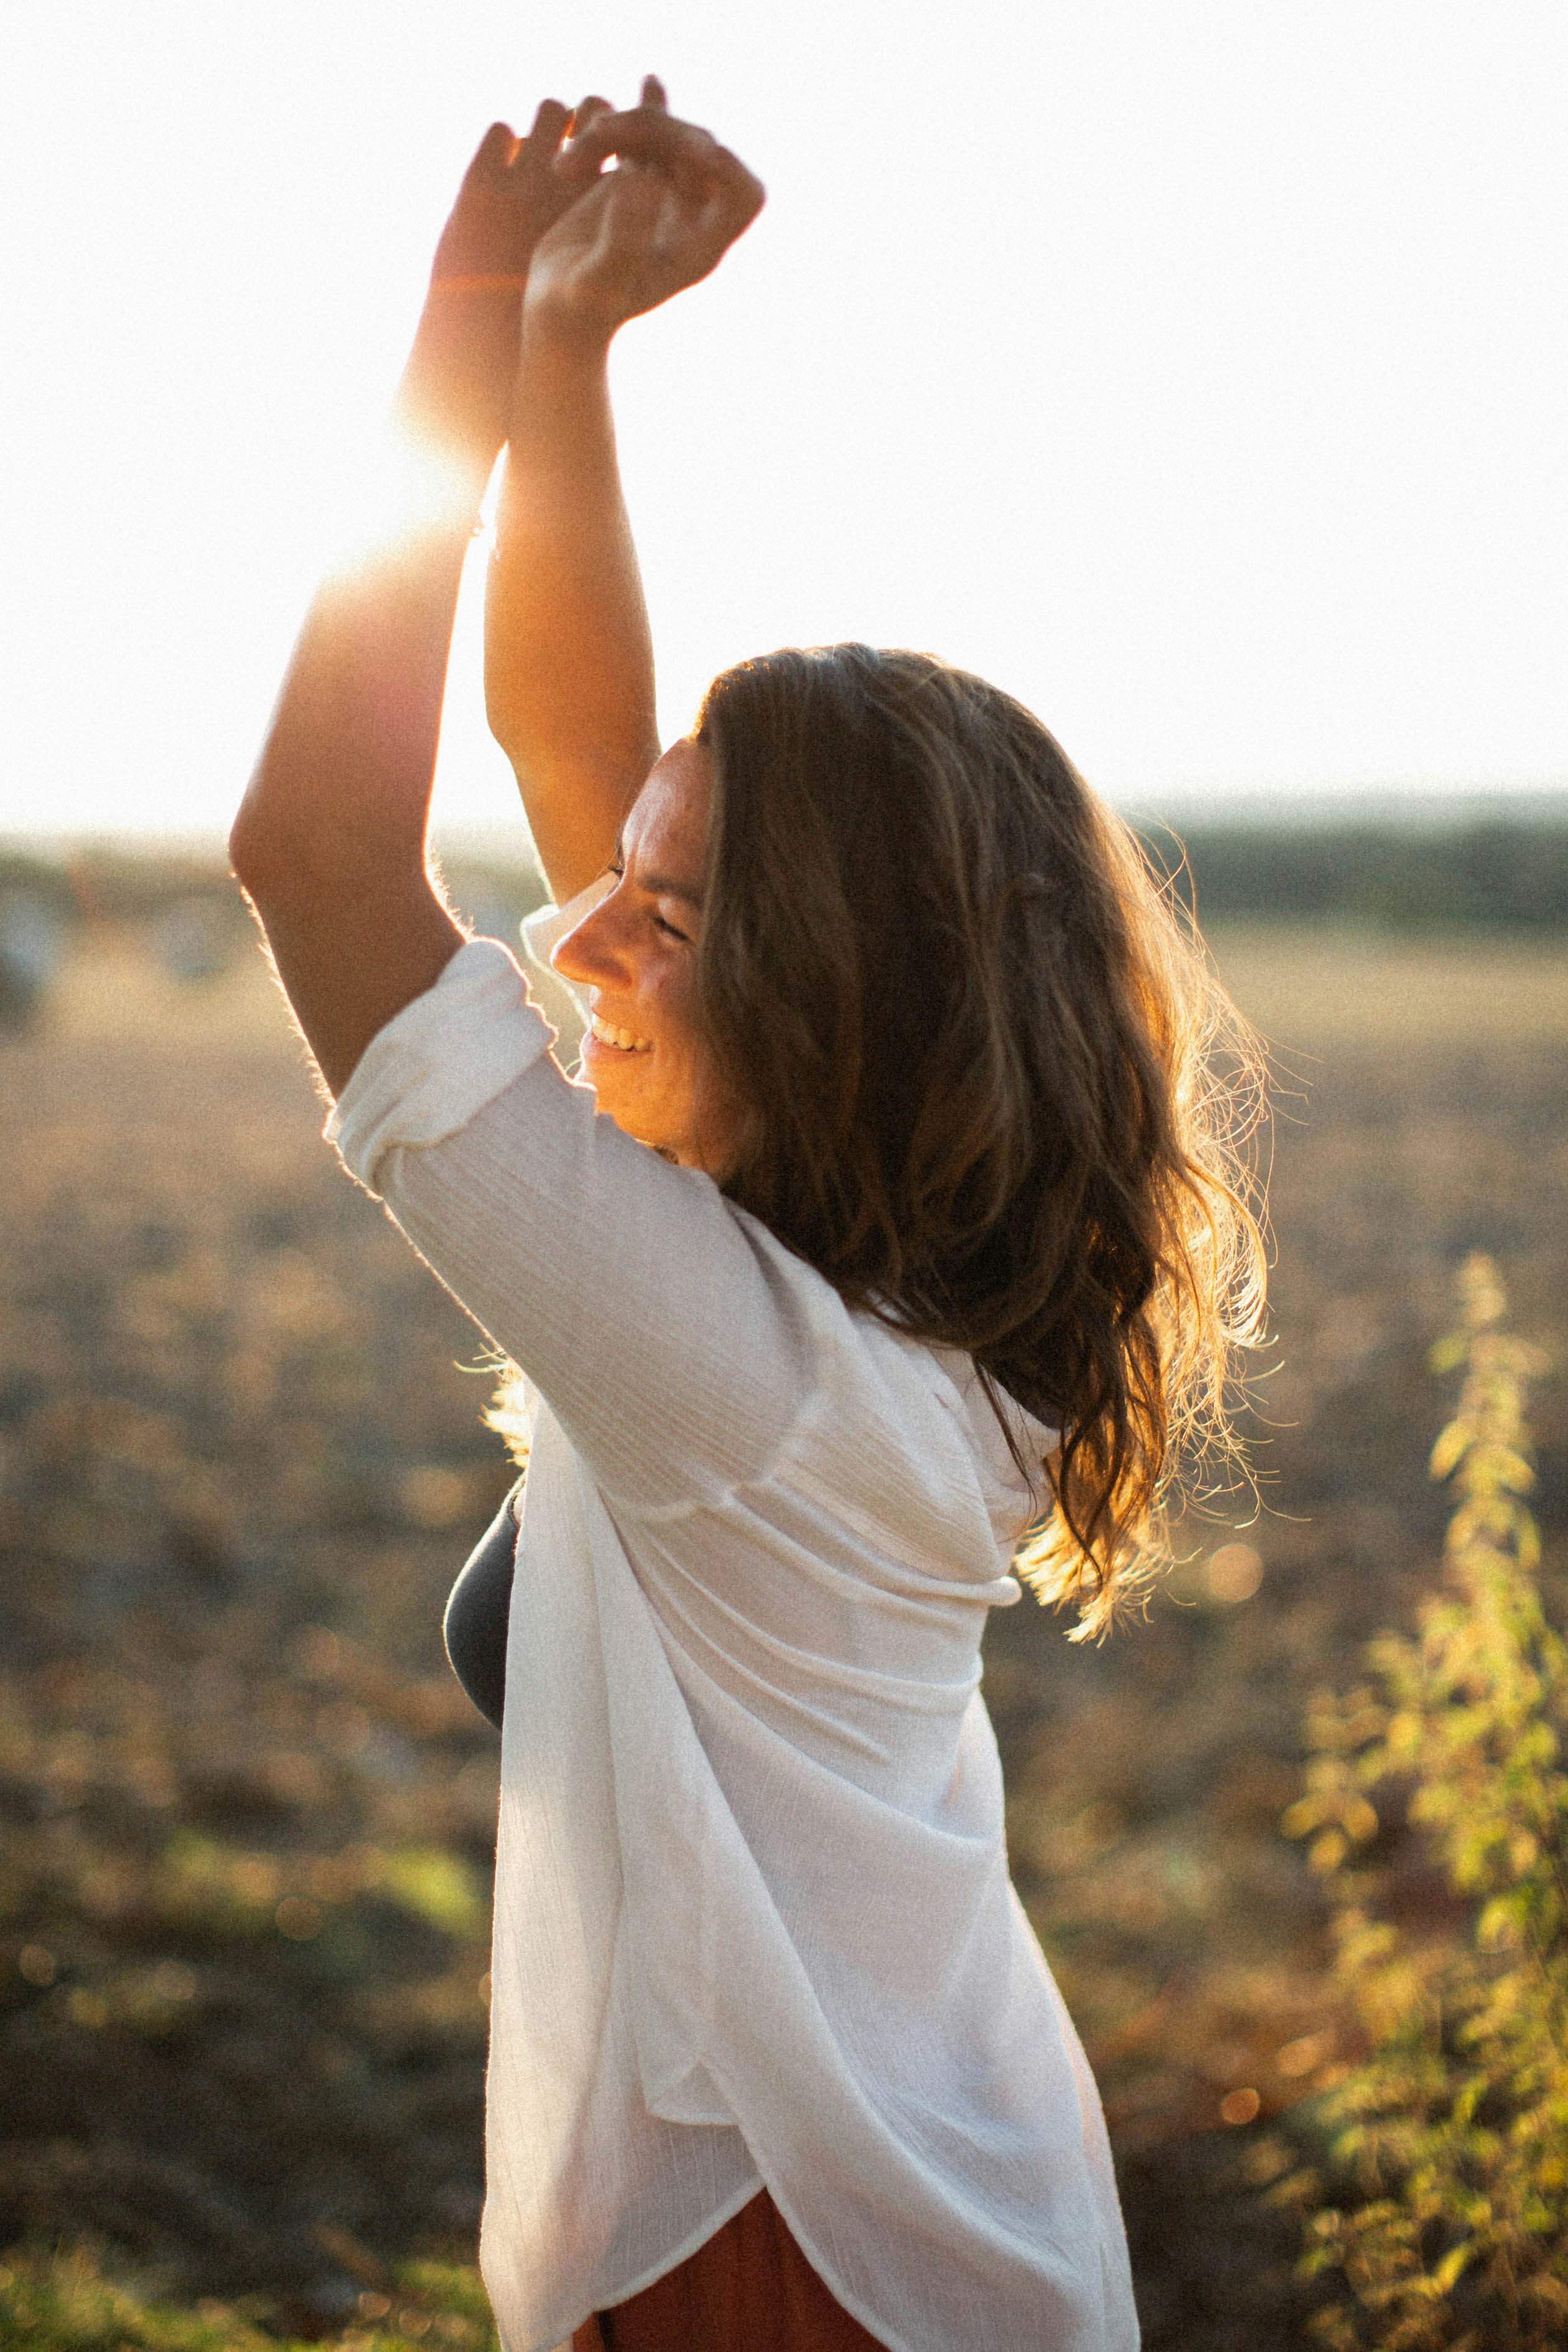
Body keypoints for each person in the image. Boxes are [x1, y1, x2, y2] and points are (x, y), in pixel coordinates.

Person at [233, 79, 1266, 2352]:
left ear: (831, 1008)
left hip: (793, 2264)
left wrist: (461, 322)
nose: (582, 935)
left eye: (665, 915)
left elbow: (321, 856)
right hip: (883, 2198)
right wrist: (573, 358)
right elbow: (585, 752)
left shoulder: (756, 1374)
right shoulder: (864, 1276)